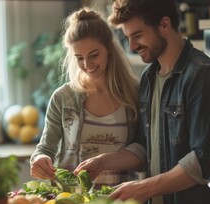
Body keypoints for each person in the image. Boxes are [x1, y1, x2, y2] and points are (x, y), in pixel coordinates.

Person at [74, 0, 210, 204]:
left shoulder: (203, 76)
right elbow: (144, 146)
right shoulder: (148, 78)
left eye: (137, 35)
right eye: (127, 37)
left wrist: (144, 188)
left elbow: (203, 161)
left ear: (164, 24)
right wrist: (103, 162)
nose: (131, 46)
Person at [30, 7, 145, 188]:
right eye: (79, 58)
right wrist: (40, 159)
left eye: (94, 55)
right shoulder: (63, 98)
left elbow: (144, 153)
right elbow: (45, 149)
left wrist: (105, 161)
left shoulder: (135, 94)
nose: (87, 64)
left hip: (122, 203)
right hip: (71, 201)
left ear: (109, 49)